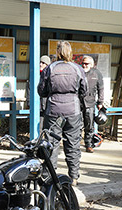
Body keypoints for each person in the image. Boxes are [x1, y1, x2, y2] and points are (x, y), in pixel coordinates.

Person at [38, 41, 88, 186]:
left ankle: (50, 177)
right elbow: (84, 90)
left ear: (57, 52)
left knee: (51, 145)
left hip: (53, 110)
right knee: (73, 145)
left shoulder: (50, 68)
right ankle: (74, 177)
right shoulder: (78, 69)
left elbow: (42, 90)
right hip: (73, 110)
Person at [81, 55, 105, 153]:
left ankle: (88, 144)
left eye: (86, 64)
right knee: (76, 125)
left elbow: (101, 88)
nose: (84, 65)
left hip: (90, 103)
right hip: (78, 102)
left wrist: (100, 102)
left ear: (92, 64)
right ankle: (74, 145)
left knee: (89, 125)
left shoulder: (97, 73)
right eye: (83, 63)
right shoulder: (79, 72)